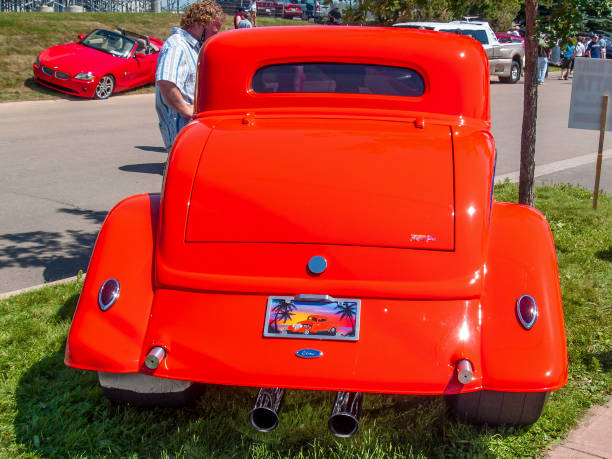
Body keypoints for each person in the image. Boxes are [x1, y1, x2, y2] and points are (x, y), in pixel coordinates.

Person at [155, 1, 224, 152]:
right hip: (181, 130)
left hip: (191, 129)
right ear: (200, 24)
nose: (214, 36)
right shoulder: (177, 46)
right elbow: (166, 83)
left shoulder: (193, 47)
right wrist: (187, 111)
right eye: (214, 31)